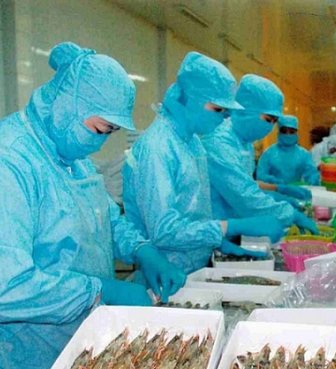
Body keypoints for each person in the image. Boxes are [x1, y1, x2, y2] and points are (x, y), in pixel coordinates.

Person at [0, 42, 185, 369]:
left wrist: (141, 249)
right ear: (68, 105)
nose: (101, 143)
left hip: (82, 340)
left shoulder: (73, 158)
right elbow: (7, 285)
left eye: (110, 132)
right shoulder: (11, 162)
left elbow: (106, 217)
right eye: (100, 129)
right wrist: (99, 290)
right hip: (28, 355)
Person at [123, 53, 285, 274]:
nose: (225, 117)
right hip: (166, 271)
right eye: (218, 109)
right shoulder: (157, 148)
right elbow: (164, 231)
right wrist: (230, 227)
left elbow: (194, 211)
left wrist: (215, 242)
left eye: (227, 111)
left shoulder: (193, 142)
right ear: (189, 99)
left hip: (196, 266)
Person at [203, 74, 318, 234]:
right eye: (268, 119)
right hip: (213, 229)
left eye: (274, 122)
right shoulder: (220, 142)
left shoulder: (244, 142)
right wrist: (288, 213)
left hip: (232, 225)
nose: (270, 127)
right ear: (248, 110)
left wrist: (278, 192)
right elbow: (243, 195)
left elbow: (245, 183)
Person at [256, 114, 320, 186]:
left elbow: (312, 174)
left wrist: (313, 181)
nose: (288, 134)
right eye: (284, 131)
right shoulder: (269, 153)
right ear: (279, 132)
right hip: (273, 191)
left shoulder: (304, 154)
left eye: (291, 131)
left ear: (296, 132)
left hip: (296, 191)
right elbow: (261, 175)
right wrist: (274, 181)